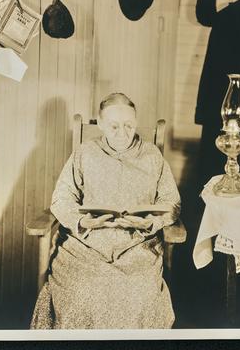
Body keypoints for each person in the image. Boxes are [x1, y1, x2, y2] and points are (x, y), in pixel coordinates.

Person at [30, 93, 181, 329]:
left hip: (137, 246)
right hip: (86, 246)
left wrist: (151, 222)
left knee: (136, 294)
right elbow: (61, 198)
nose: (122, 132)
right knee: (80, 291)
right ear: (100, 124)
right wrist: (82, 222)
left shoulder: (152, 156)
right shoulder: (84, 153)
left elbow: (171, 202)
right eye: (114, 126)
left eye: (129, 125)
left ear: (136, 121)